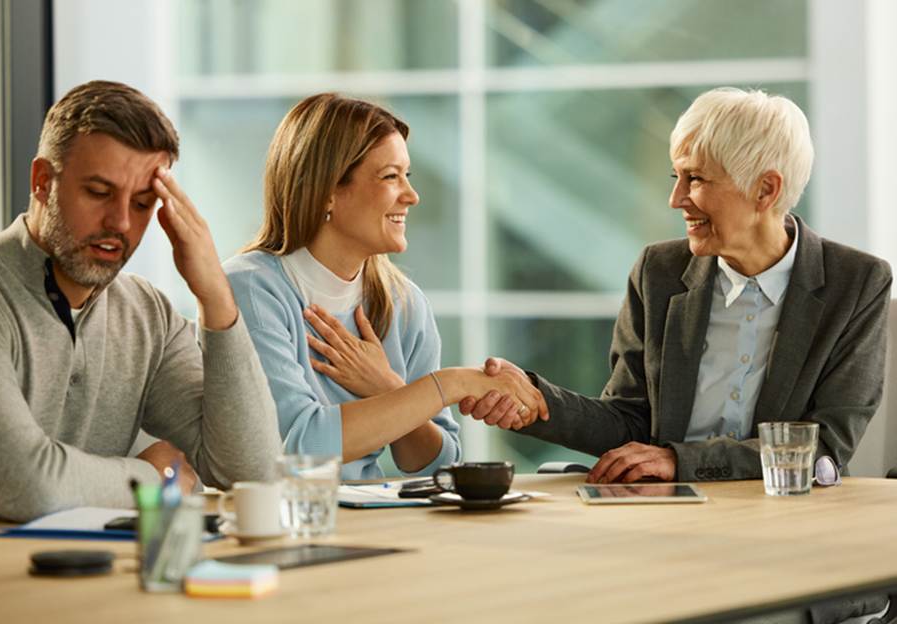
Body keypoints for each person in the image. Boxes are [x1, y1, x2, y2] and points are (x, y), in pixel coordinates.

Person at [462, 87, 892, 487]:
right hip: (667, 507)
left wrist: (680, 461)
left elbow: (825, 448)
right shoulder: (659, 271)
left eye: (697, 180)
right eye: (677, 178)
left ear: (765, 189)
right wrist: (537, 402)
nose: (677, 199)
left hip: (786, 513)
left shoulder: (857, 284)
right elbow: (629, 421)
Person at [0, 80, 281, 522]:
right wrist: (155, 479)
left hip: (100, 580)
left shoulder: (147, 314)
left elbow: (254, 472)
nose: (120, 221)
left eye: (143, 202)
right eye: (98, 192)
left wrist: (213, 294)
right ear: (41, 182)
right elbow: (26, 485)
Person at [224, 93, 546, 480]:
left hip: (373, 521)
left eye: (406, 176)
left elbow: (436, 465)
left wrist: (387, 387)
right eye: (390, 176)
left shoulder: (404, 302)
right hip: (283, 524)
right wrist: (453, 383)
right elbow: (299, 446)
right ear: (327, 189)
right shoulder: (250, 290)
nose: (411, 196)